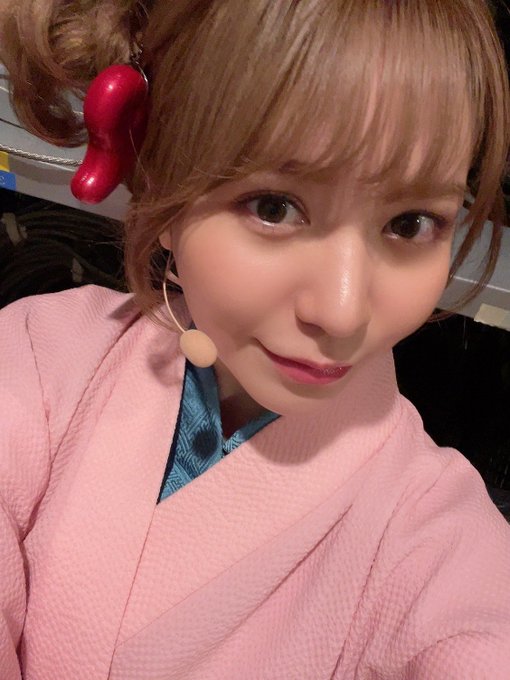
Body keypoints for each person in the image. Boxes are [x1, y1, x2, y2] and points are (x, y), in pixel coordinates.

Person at [1, 1, 510, 678]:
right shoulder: (39, 364)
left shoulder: (432, 533)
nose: (342, 311)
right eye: (275, 207)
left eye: (410, 223)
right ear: (157, 179)